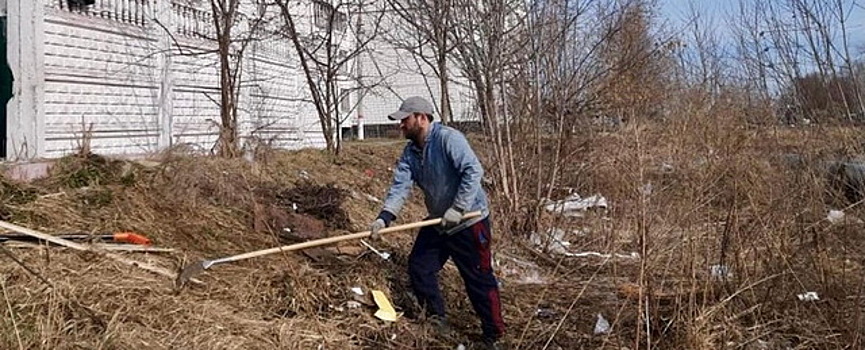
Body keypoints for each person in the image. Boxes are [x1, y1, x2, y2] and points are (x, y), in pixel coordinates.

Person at [369, 96, 506, 349]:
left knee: (478, 278)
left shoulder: (448, 139)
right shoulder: (410, 152)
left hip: (468, 220)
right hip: (439, 221)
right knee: (420, 266)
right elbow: (400, 187)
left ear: (421, 118)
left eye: (405, 120)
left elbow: (473, 171)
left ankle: (493, 334)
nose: (401, 125)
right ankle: (436, 317)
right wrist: (385, 217)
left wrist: (459, 207)